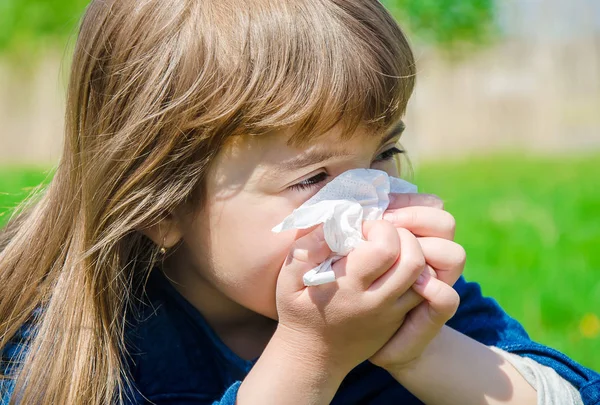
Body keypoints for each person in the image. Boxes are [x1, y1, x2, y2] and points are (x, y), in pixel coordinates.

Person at [0, 0, 598, 404]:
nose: (371, 208)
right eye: (314, 179)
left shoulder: (400, 301)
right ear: (163, 206)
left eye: (384, 155)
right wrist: (310, 358)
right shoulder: (72, 343)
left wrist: (421, 348)